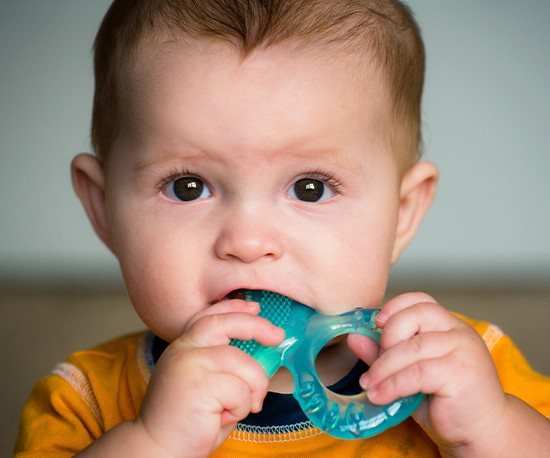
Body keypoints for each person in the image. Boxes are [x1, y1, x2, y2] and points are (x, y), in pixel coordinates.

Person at [15, 0, 550, 456]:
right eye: (187, 187)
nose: (248, 242)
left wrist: (491, 430)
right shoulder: (85, 399)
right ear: (104, 208)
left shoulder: (464, 369)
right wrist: (153, 441)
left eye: (310, 188)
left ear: (402, 212)